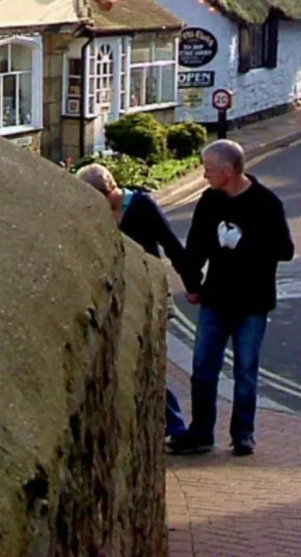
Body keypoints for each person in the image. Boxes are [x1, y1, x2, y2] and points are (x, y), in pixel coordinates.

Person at [170, 139, 294, 457]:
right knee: (203, 370)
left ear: (227, 171)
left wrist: (243, 242)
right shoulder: (210, 201)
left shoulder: (265, 203)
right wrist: (193, 284)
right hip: (216, 299)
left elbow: (285, 250)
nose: (204, 175)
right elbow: (196, 245)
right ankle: (201, 432)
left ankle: (243, 434)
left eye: (209, 170)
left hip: (252, 302)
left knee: (245, 372)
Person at [76, 163, 197, 440]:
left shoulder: (142, 206)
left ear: (107, 191)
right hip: (116, 293)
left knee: (149, 358)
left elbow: (171, 244)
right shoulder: (96, 212)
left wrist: (192, 285)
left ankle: (174, 424)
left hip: (149, 291)